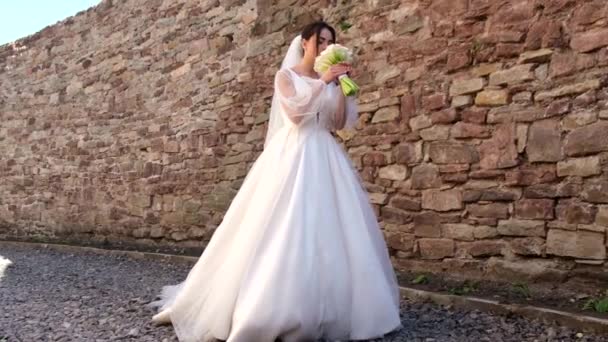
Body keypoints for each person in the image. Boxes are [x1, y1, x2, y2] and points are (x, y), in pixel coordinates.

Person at [150, 21, 402, 342]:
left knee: (331, 228)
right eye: (320, 41)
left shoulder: (331, 80)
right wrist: (322, 81)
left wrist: (340, 87)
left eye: (329, 42)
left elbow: (338, 124)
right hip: (293, 154)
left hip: (325, 154)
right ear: (304, 43)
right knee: (282, 225)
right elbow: (295, 117)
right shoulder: (286, 77)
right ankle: (266, 308)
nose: (325, 47)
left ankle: (338, 310)